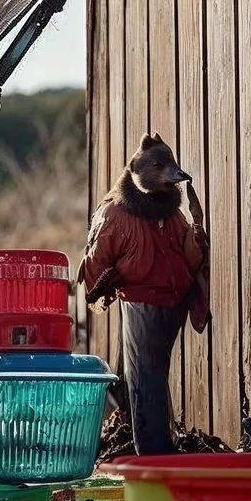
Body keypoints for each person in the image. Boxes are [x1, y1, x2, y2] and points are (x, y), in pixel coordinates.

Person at [80, 131, 210, 456]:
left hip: (174, 304)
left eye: (171, 168)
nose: (172, 175)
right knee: (146, 379)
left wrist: (197, 229)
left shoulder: (173, 214)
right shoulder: (114, 214)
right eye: (160, 167)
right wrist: (99, 289)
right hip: (141, 303)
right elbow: (95, 264)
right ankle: (155, 455)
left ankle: (148, 442)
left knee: (146, 372)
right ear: (138, 168)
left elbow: (191, 257)